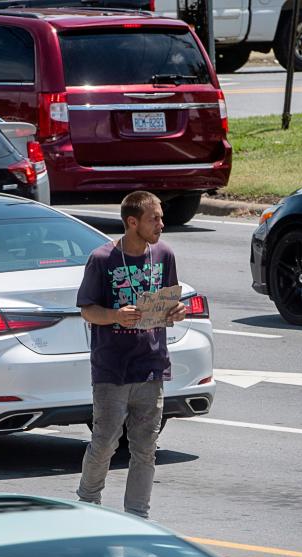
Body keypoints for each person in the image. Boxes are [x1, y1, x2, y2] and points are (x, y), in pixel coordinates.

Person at [76, 191, 187, 519]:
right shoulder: (102, 259)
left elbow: (169, 302)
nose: (161, 225)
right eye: (155, 219)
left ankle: (137, 516)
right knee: (106, 442)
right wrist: (115, 316)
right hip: (112, 368)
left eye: (161, 217)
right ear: (132, 222)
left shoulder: (163, 254)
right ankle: (87, 504)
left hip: (151, 367)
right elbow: (87, 310)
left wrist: (176, 311)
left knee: (145, 449)